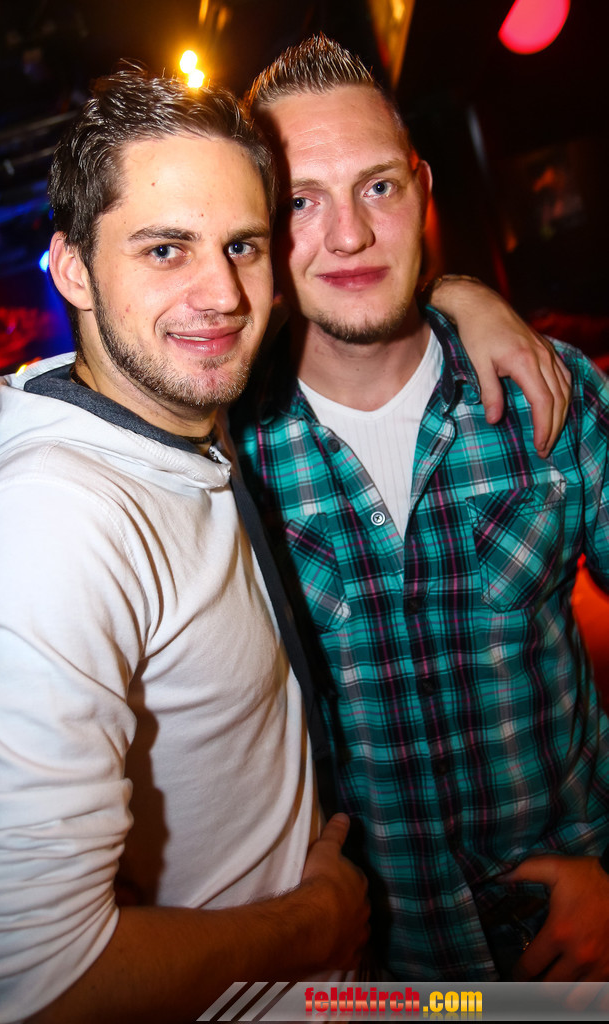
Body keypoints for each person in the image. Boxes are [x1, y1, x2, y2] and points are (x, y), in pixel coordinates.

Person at [0, 69, 371, 1024]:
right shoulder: (57, 517)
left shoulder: (171, 415)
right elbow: (36, 988)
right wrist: (313, 925)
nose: (222, 294)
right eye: (166, 249)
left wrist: (465, 300)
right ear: (72, 271)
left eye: (242, 246)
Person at [232, 34, 609, 982]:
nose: (349, 235)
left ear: (423, 188)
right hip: (381, 982)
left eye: (378, 187)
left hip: (576, 963)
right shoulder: (225, 457)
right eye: (300, 202)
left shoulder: (551, 394)